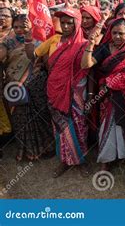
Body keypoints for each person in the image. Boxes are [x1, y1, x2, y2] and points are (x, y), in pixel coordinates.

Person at [29, 9, 90, 178]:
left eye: (69, 22)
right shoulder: (55, 41)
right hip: (54, 89)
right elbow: (41, 59)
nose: (65, 26)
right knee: (60, 127)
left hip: (75, 91)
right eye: (63, 23)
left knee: (78, 125)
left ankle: (80, 160)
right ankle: (64, 160)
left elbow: (86, 68)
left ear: (76, 24)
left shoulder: (84, 44)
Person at [81, 18, 125, 170]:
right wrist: (90, 44)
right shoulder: (104, 48)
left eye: (121, 33)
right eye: (114, 33)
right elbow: (86, 64)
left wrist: (109, 82)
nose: (117, 37)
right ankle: (106, 161)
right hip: (107, 98)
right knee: (106, 127)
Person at [0, 14, 54, 161]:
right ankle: (26, 150)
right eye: (16, 27)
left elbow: (45, 64)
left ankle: (45, 148)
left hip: (36, 84)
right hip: (16, 85)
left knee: (41, 115)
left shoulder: (41, 42)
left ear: (31, 26)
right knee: (20, 119)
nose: (19, 30)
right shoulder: (7, 43)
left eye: (23, 26)